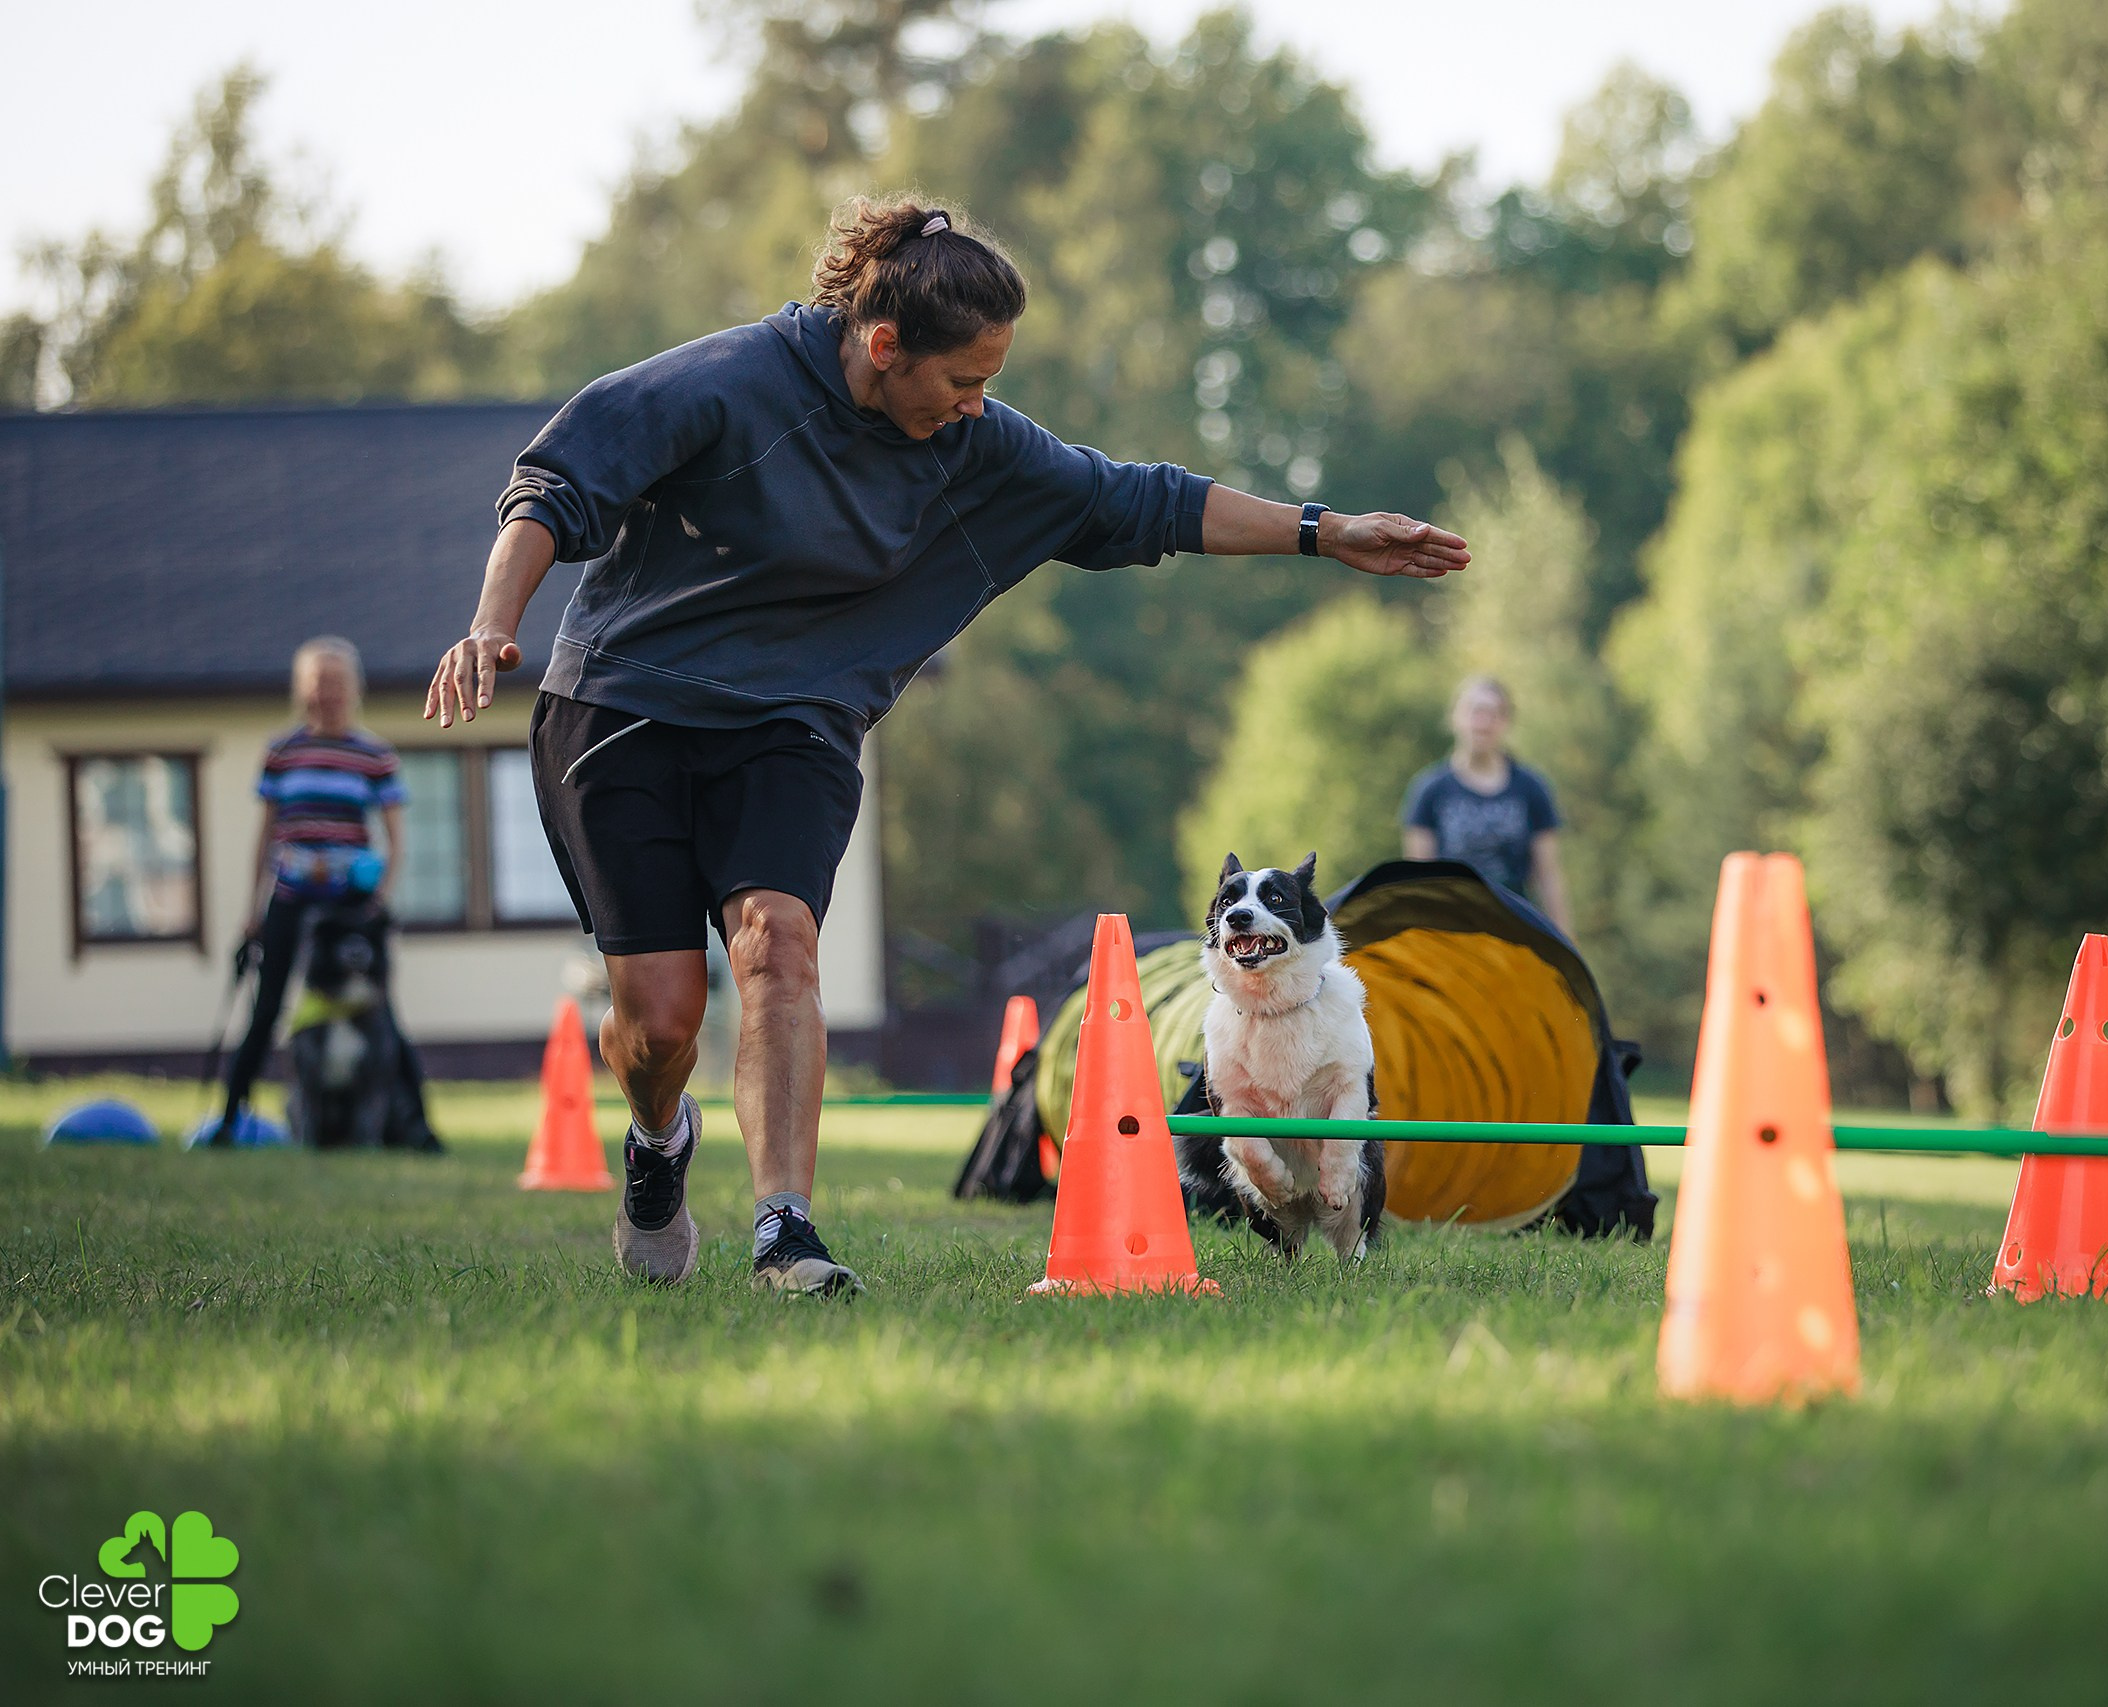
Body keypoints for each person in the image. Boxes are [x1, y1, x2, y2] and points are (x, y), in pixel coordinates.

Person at [425, 198, 1469, 1297]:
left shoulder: (974, 446)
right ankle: (657, 1144)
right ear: (884, 347)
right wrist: (496, 621)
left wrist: (1324, 531)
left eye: (990, 383)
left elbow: (1136, 500)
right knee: (658, 1021)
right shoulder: (727, 384)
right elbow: (554, 483)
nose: (979, 406)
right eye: (963, 381)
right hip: (625, 706)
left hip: (795, 721)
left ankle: (784, 1231)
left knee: (778, 943)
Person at [216, 637, 407, 1141]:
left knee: (379, 1012)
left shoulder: (375, 756)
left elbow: (395, 837)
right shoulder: (281, 752)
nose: (329, 693)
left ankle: (415, 1125)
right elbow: (265, 835)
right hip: (290, 897)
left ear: (354, 689)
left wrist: (378, 899)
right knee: (267, 1008)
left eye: (338, 683)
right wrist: (252, 907)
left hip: (348, 907)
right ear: (304, 690)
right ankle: (229, 1118)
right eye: (320, 683)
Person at [1400, 676, 1571, 933]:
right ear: (1455, 717)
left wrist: (1566, 940)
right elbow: (1418, 881)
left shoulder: (1530, 788)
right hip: (1451, 929)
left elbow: (1548, 875)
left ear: (1506, 722)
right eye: (1475, 711)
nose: (1482, 722)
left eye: (1493, 714)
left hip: (1515, 927)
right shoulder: (1430, 790)